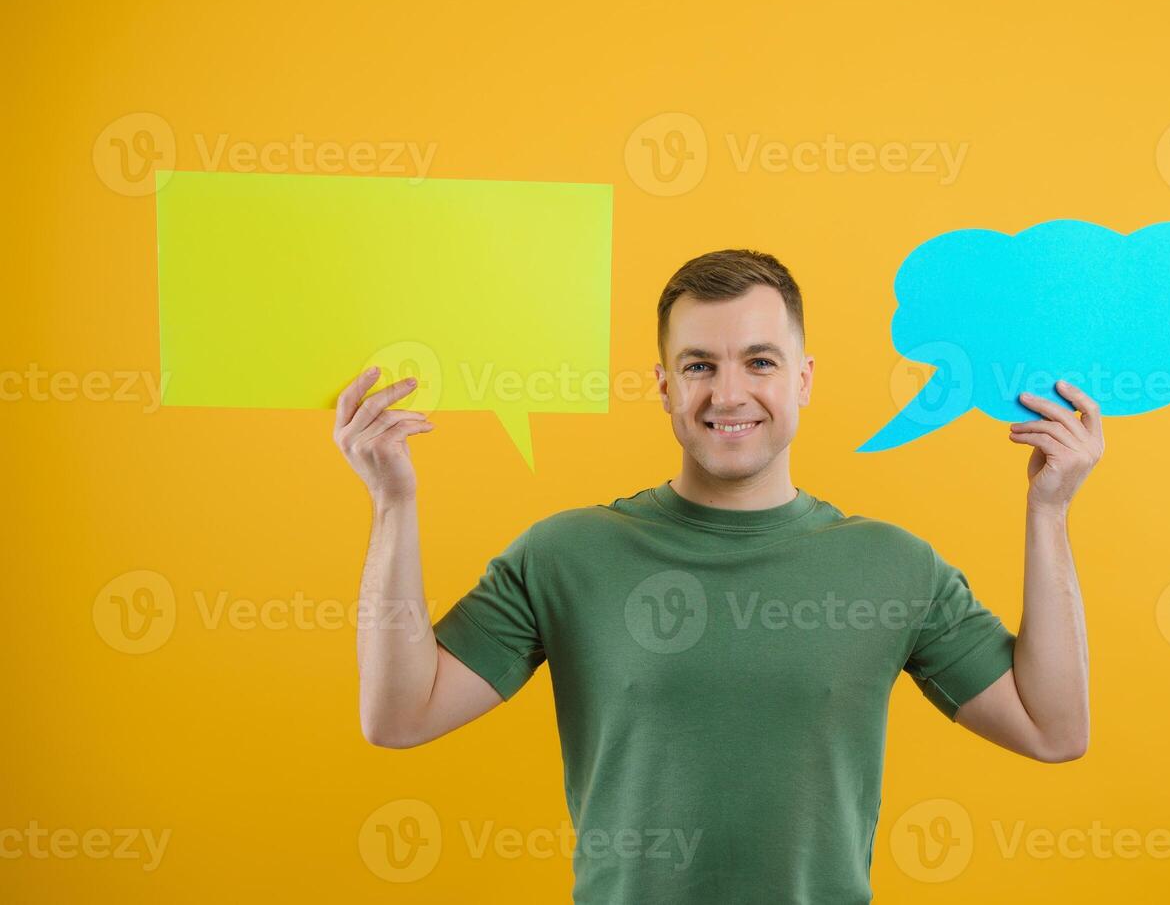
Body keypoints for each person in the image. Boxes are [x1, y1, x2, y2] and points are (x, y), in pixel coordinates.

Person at [333, 249, 1101, 903]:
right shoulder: (567, 553)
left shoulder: (892, 565)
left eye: (758, 362)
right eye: (697, 365)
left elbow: (1052, 727)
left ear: (801, 379)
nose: (727, 394)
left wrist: (1050, 510)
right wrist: (393, 502)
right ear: (664, 386)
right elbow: (401, 715)